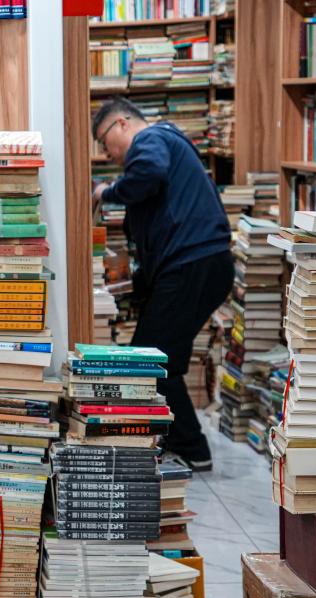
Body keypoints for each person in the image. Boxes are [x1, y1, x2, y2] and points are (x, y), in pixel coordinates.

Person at [91, 97, 234, 471]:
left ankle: (191, 448)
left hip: (192, 266)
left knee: (148, 361)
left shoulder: (150, 139)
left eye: (105, 142)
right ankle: (184, 444)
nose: (108, 154)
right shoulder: (167, 141)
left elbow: (148, 175)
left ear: (122, 124)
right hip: (197, 265)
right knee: (163, 361)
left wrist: (107, 192)